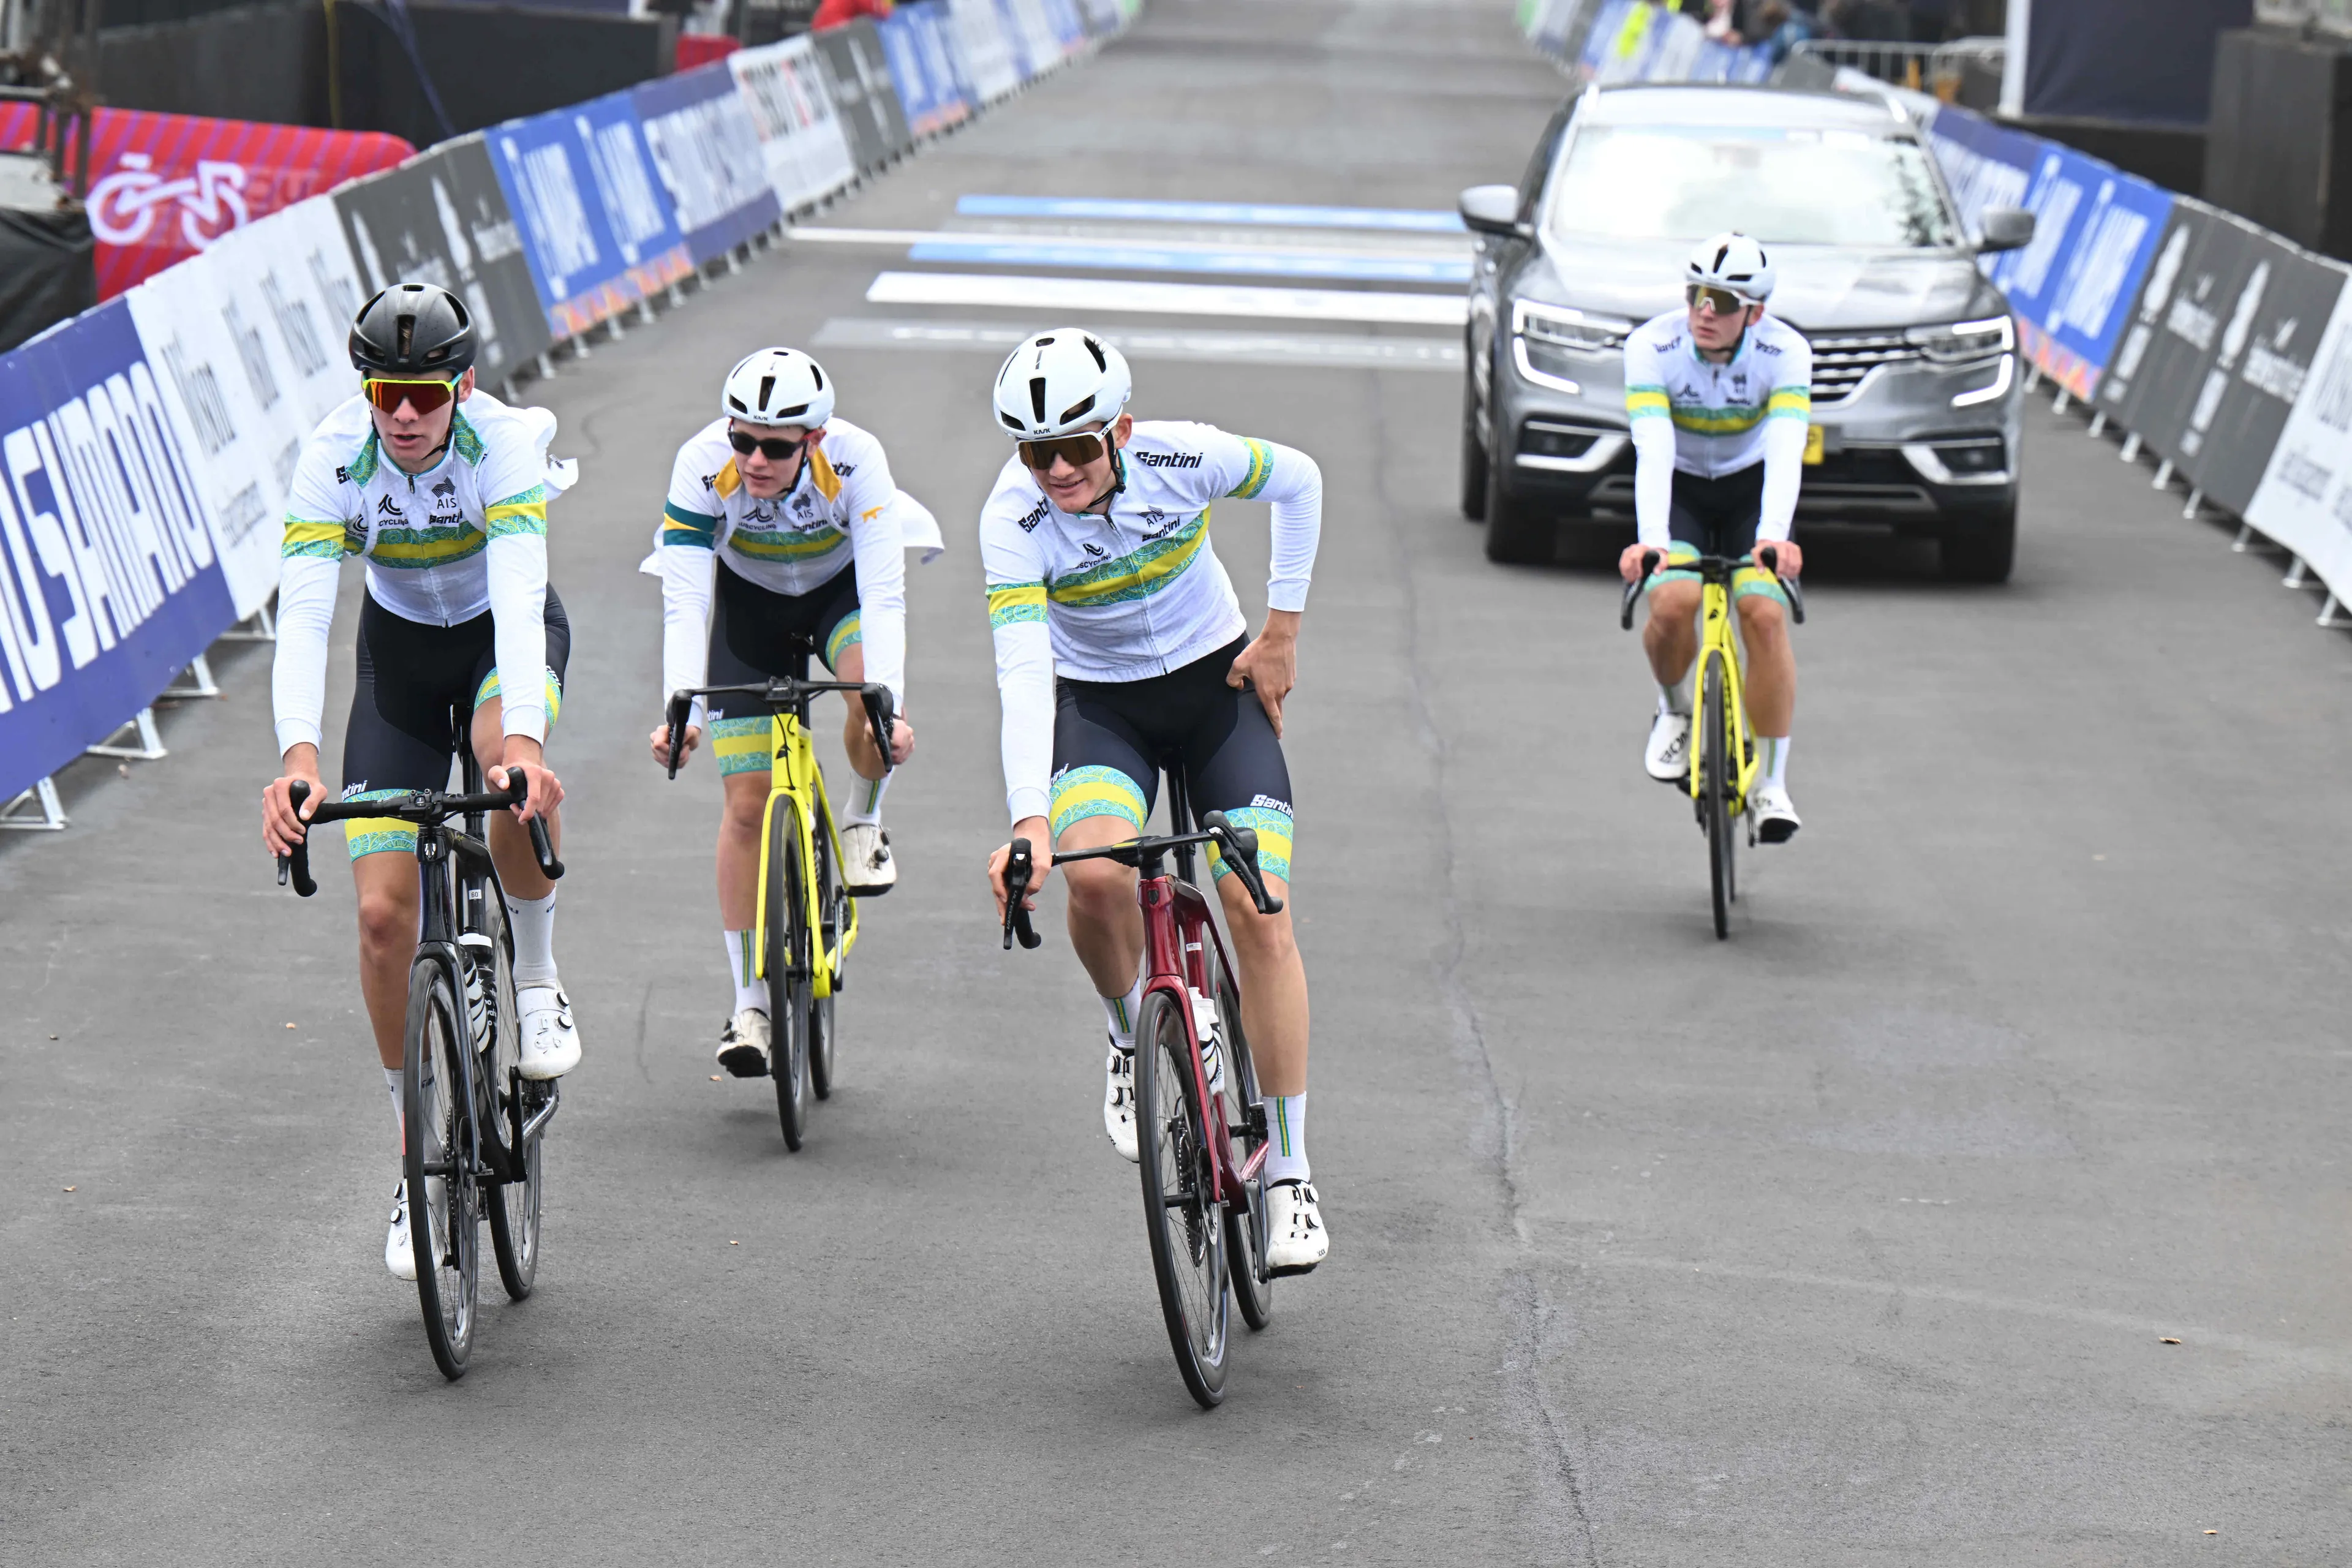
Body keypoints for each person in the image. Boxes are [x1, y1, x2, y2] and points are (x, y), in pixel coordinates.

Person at [979, 329, 1330, 1274]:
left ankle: (1290, 1174)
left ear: (1121, 432)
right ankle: (1129, 1037)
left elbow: (1299, 480)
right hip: (1103, 713)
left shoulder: (1183, 455)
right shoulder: (1013, 520)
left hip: (1218, 695)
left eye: (1075, 447)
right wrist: (1028, 821)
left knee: (1260, 911)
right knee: (1093, 877)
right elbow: (1023, 673)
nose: (1057, 470)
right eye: (1035, 452)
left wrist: (1282, 630)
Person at [260, 282, 579, 1282]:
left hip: (496, 650)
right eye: (386, 393)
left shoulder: (503, 445)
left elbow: (520, 601)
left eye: (425, 395)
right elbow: (306, 617)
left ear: (463, 387)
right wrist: (299, 763)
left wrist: (524, 746)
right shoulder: (331, 458)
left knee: (501, 770)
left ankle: (536, 979)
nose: (404, 414)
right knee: (380, 918)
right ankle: (414, 1157)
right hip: (395, 668)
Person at [647, 347, 923, 1079]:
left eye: (775, 448)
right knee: (747, 806)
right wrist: (682, 708)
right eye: (743, 441)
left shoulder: (857, 460)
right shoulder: (702, 465)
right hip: (750, 610)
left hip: (838, 595)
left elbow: (884, 593)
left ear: (815, 440)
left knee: (869, 702)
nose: (755, 460)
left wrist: (888, 702)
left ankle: (862, 819)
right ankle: (750, 1006)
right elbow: (686, 597)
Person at [1619, 233, 1812, 841]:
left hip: (1749, 490)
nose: (1704, 311)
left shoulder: (1787, 351)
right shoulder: (1653, 346)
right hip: (1680, 488)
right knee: (1673, 602)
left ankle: (1772, 785)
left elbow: (1786, 447)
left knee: (1764, 615)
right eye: (1697, 294)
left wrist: (1774, 536)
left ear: (1755, 314)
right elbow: (1654, 445)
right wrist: (1653, 540)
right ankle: (1675, 708)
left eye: (1723, 302)